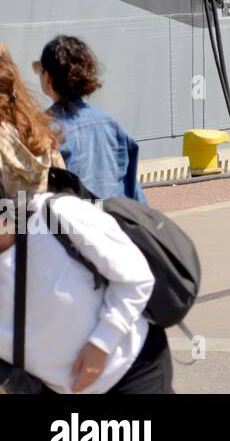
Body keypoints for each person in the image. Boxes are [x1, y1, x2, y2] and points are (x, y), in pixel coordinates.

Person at [0, 44, 172, 394]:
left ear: (49, 78)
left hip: (59, 276)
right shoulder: (60, 131)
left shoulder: (48, 133)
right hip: (94, 266)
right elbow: (134, 201)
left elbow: (17, 223)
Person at [33, 36, 143, 201]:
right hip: (113, 221)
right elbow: (133, 192)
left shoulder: (41, 129)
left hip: (70, 224)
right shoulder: (111, 125)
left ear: (48, 77)